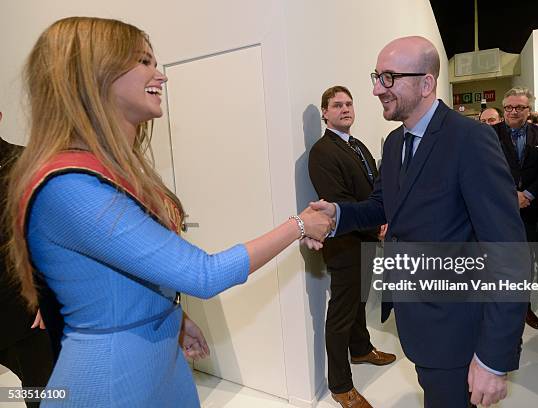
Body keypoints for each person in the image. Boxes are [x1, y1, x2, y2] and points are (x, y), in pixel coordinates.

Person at [6, 17, 332, 407]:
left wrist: (172, 316)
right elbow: (203, 274)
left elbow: (120, 280)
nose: (159, 75)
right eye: (143, 62)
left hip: (159, 360)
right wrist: (300, 224)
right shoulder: (68, 186)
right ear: (93, 73)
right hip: (111, 383)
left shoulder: (99, 172)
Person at [307, 36, 527, 408]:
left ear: (426, 83)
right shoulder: (395, 143)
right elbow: (384, 205)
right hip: (418, 322)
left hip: (457, 329)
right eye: (377, 77)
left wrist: (494, 357)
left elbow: (510, 253)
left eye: (389, 78)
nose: (377, 89)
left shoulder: (470, 139)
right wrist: (338, 215)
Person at [308, 86, 395, 408]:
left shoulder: (356, 145)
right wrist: (377, 224)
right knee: (341, 315)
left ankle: (361, 349)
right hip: (344, 244)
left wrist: (382, 220)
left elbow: (372, 191)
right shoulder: (322, 151)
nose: (345, 109)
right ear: (325, 113)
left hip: (367, 237)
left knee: (359, 301)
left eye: (348, 103)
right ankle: (341, 385)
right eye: (336, 105)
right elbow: (338, 200)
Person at [0, 112, 54, 408]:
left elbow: (52, 237)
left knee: (44, 395)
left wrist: (47, 294)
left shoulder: (26, 164)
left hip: (26, 309)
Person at [492, 87, 538, 330]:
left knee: (526, 262)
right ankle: (499, 306)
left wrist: (528, 194)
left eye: (519, 107)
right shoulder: (489, 134)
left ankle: (522, 306)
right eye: (509, 107)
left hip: (530, 210)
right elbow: (485, 171)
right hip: (499, 210)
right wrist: (510, 195)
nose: (513, 112)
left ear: (529, 110)